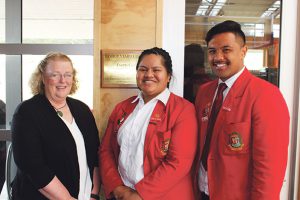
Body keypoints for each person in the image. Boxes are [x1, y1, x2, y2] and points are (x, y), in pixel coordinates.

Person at [194, 20, 289, 200]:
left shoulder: (266, 95)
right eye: (212, 51)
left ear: (243, 52)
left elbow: (269, 167)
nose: (218, 57)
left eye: (226, 50)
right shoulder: (204, 92)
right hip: (202, 191)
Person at [99, 47, 198, 200]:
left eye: (156, 70)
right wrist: (117, 188)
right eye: (143, 69)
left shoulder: (183, 110)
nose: (148, 75)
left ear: (169, 76)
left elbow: (178, 163)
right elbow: (106, 151)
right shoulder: (122, 108)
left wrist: (138, 195)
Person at [11, 52, 100, 200]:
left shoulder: (82, 110)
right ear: (43, 78)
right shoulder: (27, 112)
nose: (62, 80)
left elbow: (95, 156)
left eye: (68, 74)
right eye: (55, 75)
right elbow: (34, 167)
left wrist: (93, 194)